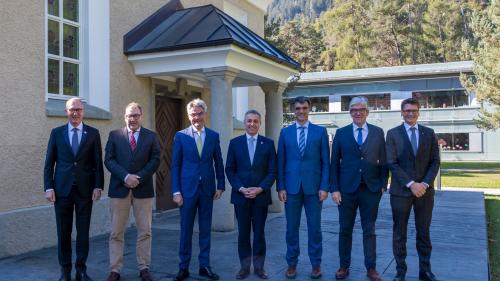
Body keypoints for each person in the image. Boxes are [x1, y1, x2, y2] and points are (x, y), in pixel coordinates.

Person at [43, 98, 104, 281]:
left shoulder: (93, 133)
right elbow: (49, 164)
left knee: (83, 232)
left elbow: (97, 163)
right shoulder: (57, 133)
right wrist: (48, 187)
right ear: (66, 111)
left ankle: (81, 270)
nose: (75, 113)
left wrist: (98, 185)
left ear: (83, 111)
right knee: (64, 231)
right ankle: (65, 271)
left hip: (85, 191)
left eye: (78, 109)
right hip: (62, 191)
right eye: (72, 110)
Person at [330, 97, 388, 281]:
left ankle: (371, 268)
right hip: (346, 190)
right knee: (344, 229)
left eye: (361, 109)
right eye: (354, 109)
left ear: (367, 112)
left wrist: (382, 186)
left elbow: (384, 162)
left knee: (369, 230)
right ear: (350, 112)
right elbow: (334, 164)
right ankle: (343, 266)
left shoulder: (378, 133)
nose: (358, 112)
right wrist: (335, 189)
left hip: (371, 190)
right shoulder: (341, 133)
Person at [104, 102, 161, 281]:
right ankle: (115, 269)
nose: (133, 119)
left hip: (143, 190)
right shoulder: (114, 135)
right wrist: (125, 176)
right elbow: (109, 160)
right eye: (129, 115)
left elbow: (156, 160)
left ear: (141, 116)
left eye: (136, 115)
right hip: (119, 189)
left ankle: (144, 267)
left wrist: (139, 177)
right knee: (116, 232)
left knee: (145, 231)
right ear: (125, 116)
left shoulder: (151, 136)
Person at [386, 98, 440, 281]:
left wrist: (424, 184)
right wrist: (411, 184)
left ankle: (425, 270)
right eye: (407, 110)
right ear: (401, 112)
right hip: (401, 192)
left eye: (414, 110)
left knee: (423, 233)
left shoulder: (429, 133)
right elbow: (392, 163)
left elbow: (435, 162)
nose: (410, 113)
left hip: (425, 193)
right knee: (399, 234)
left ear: (419, 112)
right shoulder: (393, 134)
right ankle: (400, 272)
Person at [171, 98, 225, 281]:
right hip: (186, 191)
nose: (196, 117)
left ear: (205, 114)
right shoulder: (181, 136)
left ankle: (204, 266)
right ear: (189, 115)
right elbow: (175, 165)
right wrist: (176, 191)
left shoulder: (213, 136)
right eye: (193, 114)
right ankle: (183, 267)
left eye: (199, 113)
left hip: (207, 190)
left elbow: (218, 161)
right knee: (186, 230)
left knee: (205, 229)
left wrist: (221, 185)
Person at [277, 96, 330, 279]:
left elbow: (326, 162)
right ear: (293, 109)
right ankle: (291, 264)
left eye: (304, 108)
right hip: (291, 189)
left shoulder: (320, 132)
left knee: (314, 228)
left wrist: (324, 186)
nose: (301, 111)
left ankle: (316, 264)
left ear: (310, 109)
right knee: (291, 228)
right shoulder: (285, 133)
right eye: (298, 108)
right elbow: (280, 162)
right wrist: (280, 187)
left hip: (314, 189)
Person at [225, 110, 276, 280]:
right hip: (241, 197)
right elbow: (230, 170)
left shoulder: (268, 144)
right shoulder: (235, 143)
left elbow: (272, 171)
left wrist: (260, 188)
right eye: (249, 121)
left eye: (255, 121)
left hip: (261, 197)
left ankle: (260, 268)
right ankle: (244, 268)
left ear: (259, 123)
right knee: (243, 234)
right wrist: (240, 188)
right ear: (245, 123)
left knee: (260, 234)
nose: (252, 124)